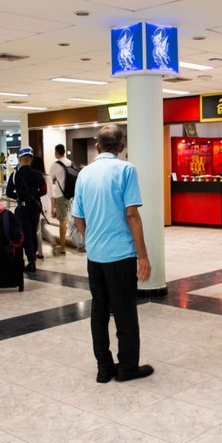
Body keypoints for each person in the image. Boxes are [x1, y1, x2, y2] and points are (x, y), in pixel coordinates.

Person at [72, 124, 153, 384]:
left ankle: (104, 368)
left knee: (99, 311)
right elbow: (132, 215)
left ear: (97, 146)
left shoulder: (84, 174)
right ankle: (128, 367)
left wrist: (90, 241)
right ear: (121, 147)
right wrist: (143, 256)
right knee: (125, 312)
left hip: (95, 257)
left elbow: (78, 217)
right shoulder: (126, 170)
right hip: (121, 255)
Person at [6, 147, 46, 273]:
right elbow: (44, 190)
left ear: (19, 159)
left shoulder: (15, 175)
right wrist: (34, 196)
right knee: (33, 232)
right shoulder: (38, 174)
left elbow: (8, 193)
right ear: (31, 159)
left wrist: (19, 197)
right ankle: (32, 257)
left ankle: (31, 261)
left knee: (25, 233)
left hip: (22, 208)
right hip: (35, 208)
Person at [32, 156, 58, 259]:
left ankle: (40, 252)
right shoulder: (48, 177)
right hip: (47, 204)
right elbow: (52, 194)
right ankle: (53, 242)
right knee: (42, 228)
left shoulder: (34, 176)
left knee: (37, 230)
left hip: (38, 205)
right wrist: (53, 207)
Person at [50, 144, 73, 255]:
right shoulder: (71, 163)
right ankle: (81, 243)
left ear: (56, 152)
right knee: (74, 220)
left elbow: (50, 180)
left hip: (60, 196)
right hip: (72, 195)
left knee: (62, 221)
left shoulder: (55, 165)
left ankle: (63, 247)